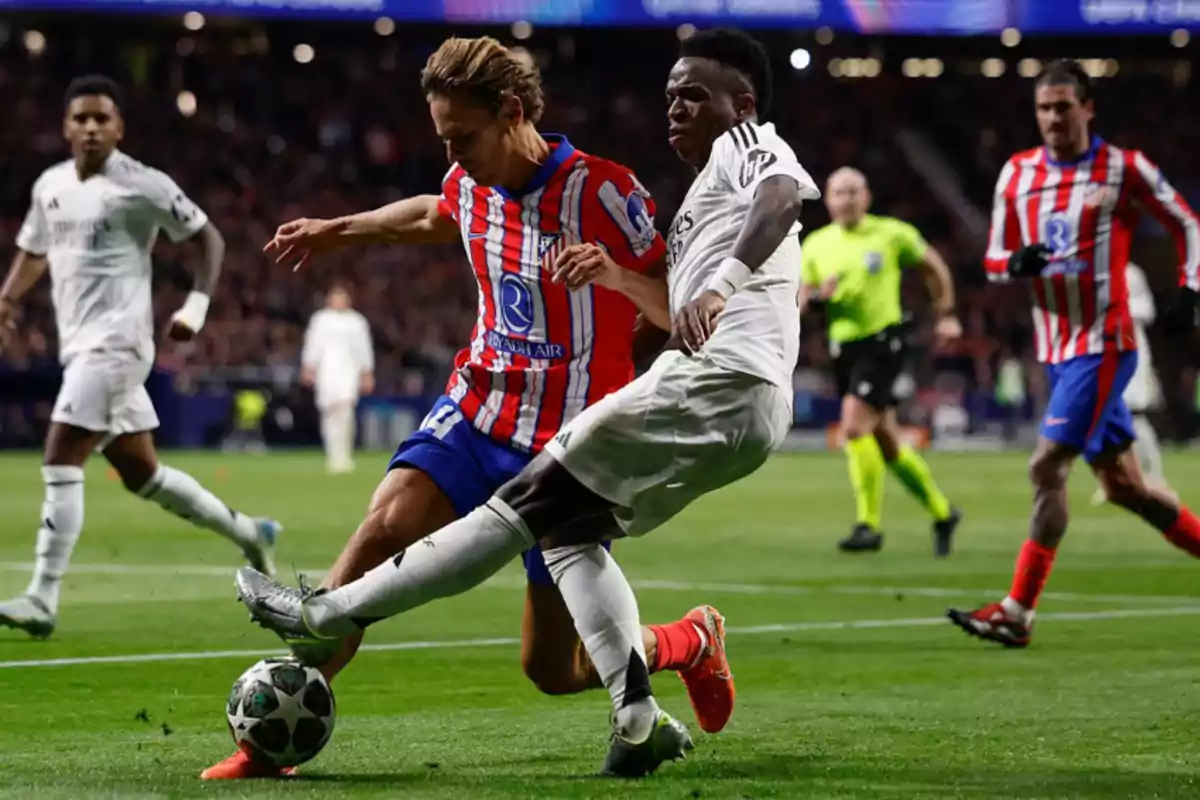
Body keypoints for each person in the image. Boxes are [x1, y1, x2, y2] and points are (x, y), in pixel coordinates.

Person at [234, 28, 819, 777]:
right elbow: (431, 212)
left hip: (592, 416)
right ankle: (271, 737)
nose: (453, 155)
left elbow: (678, 302)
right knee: (394, 526)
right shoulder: (487, 181)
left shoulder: (619, 190)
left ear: (512, 110)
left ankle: (676, 646)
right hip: (480, 407)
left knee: (551, 662)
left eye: (463, 137)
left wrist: (664, 299)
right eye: (443, 140)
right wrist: (337, 231)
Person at [0, 75, 280, 639]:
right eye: (80, 118)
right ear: (66, 127)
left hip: (118, 345)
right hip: (80, 346)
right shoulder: (50, 186)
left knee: (60, 459)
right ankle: (249, 533)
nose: (90, 128)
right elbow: (34, 249)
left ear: (119, 128)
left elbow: (209, 239)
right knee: (142, 474)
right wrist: (7, 297)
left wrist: (197, 308)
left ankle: (42, 598)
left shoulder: (142, 185)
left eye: (102, 119)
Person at [948, 60, 1200, 648]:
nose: (1054, 117)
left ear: (1088, 108)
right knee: (1126, 489)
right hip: (1057, 350)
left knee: (1045, 467)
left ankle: (1017, 612)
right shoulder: (1017, 173)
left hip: (1104, 344)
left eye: (1065, 106)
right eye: (1044, 108)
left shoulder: (1123, 167)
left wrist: (1190, 289)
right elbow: (992, 257)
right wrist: (1014, 264)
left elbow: (1188, 223)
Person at [800, 167, 963, 555]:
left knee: (854, 427)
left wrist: (946, 313)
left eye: (854, 191)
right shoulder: (816, 244)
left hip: (883, 343)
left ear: (867, 196)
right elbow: (801, 301)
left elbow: (934, 266)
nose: (846, 199)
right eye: (839, 192)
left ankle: (867, 525)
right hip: (843, 349)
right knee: (887, 441)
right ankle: (943, 512)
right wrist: (819, 298)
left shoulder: (891, 233)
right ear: (827, 199)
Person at [1090, 262, 1176, 504]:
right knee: (1105, 417)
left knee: (1134, 416)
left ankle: (1155, 476)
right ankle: (1114, 480)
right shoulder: (1091, 270)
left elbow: (1147, 310)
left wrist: (1117, 310)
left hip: (1130, 348)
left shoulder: (1131, 273)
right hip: (1101, 352)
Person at [301, 284, 375, 474]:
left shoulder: (356, 321)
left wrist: (366, 372)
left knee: (345, 411)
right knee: (329, 411)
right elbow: (312, 344)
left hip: (349, 369)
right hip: (327, 369)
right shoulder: (320, 320)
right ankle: (333, 454)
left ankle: (345, 455)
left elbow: (364, 348)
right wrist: (309, 366)